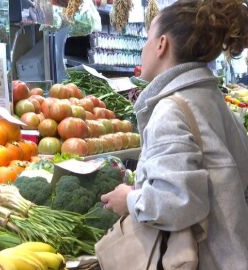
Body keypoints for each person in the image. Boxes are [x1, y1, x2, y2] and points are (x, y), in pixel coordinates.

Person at [100, 0, 248, 269]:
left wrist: (129, 199)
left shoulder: (170, 110)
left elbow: (178, 202)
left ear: (161, 45)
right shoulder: (214, 102)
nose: (143, 49)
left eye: (148, 39)